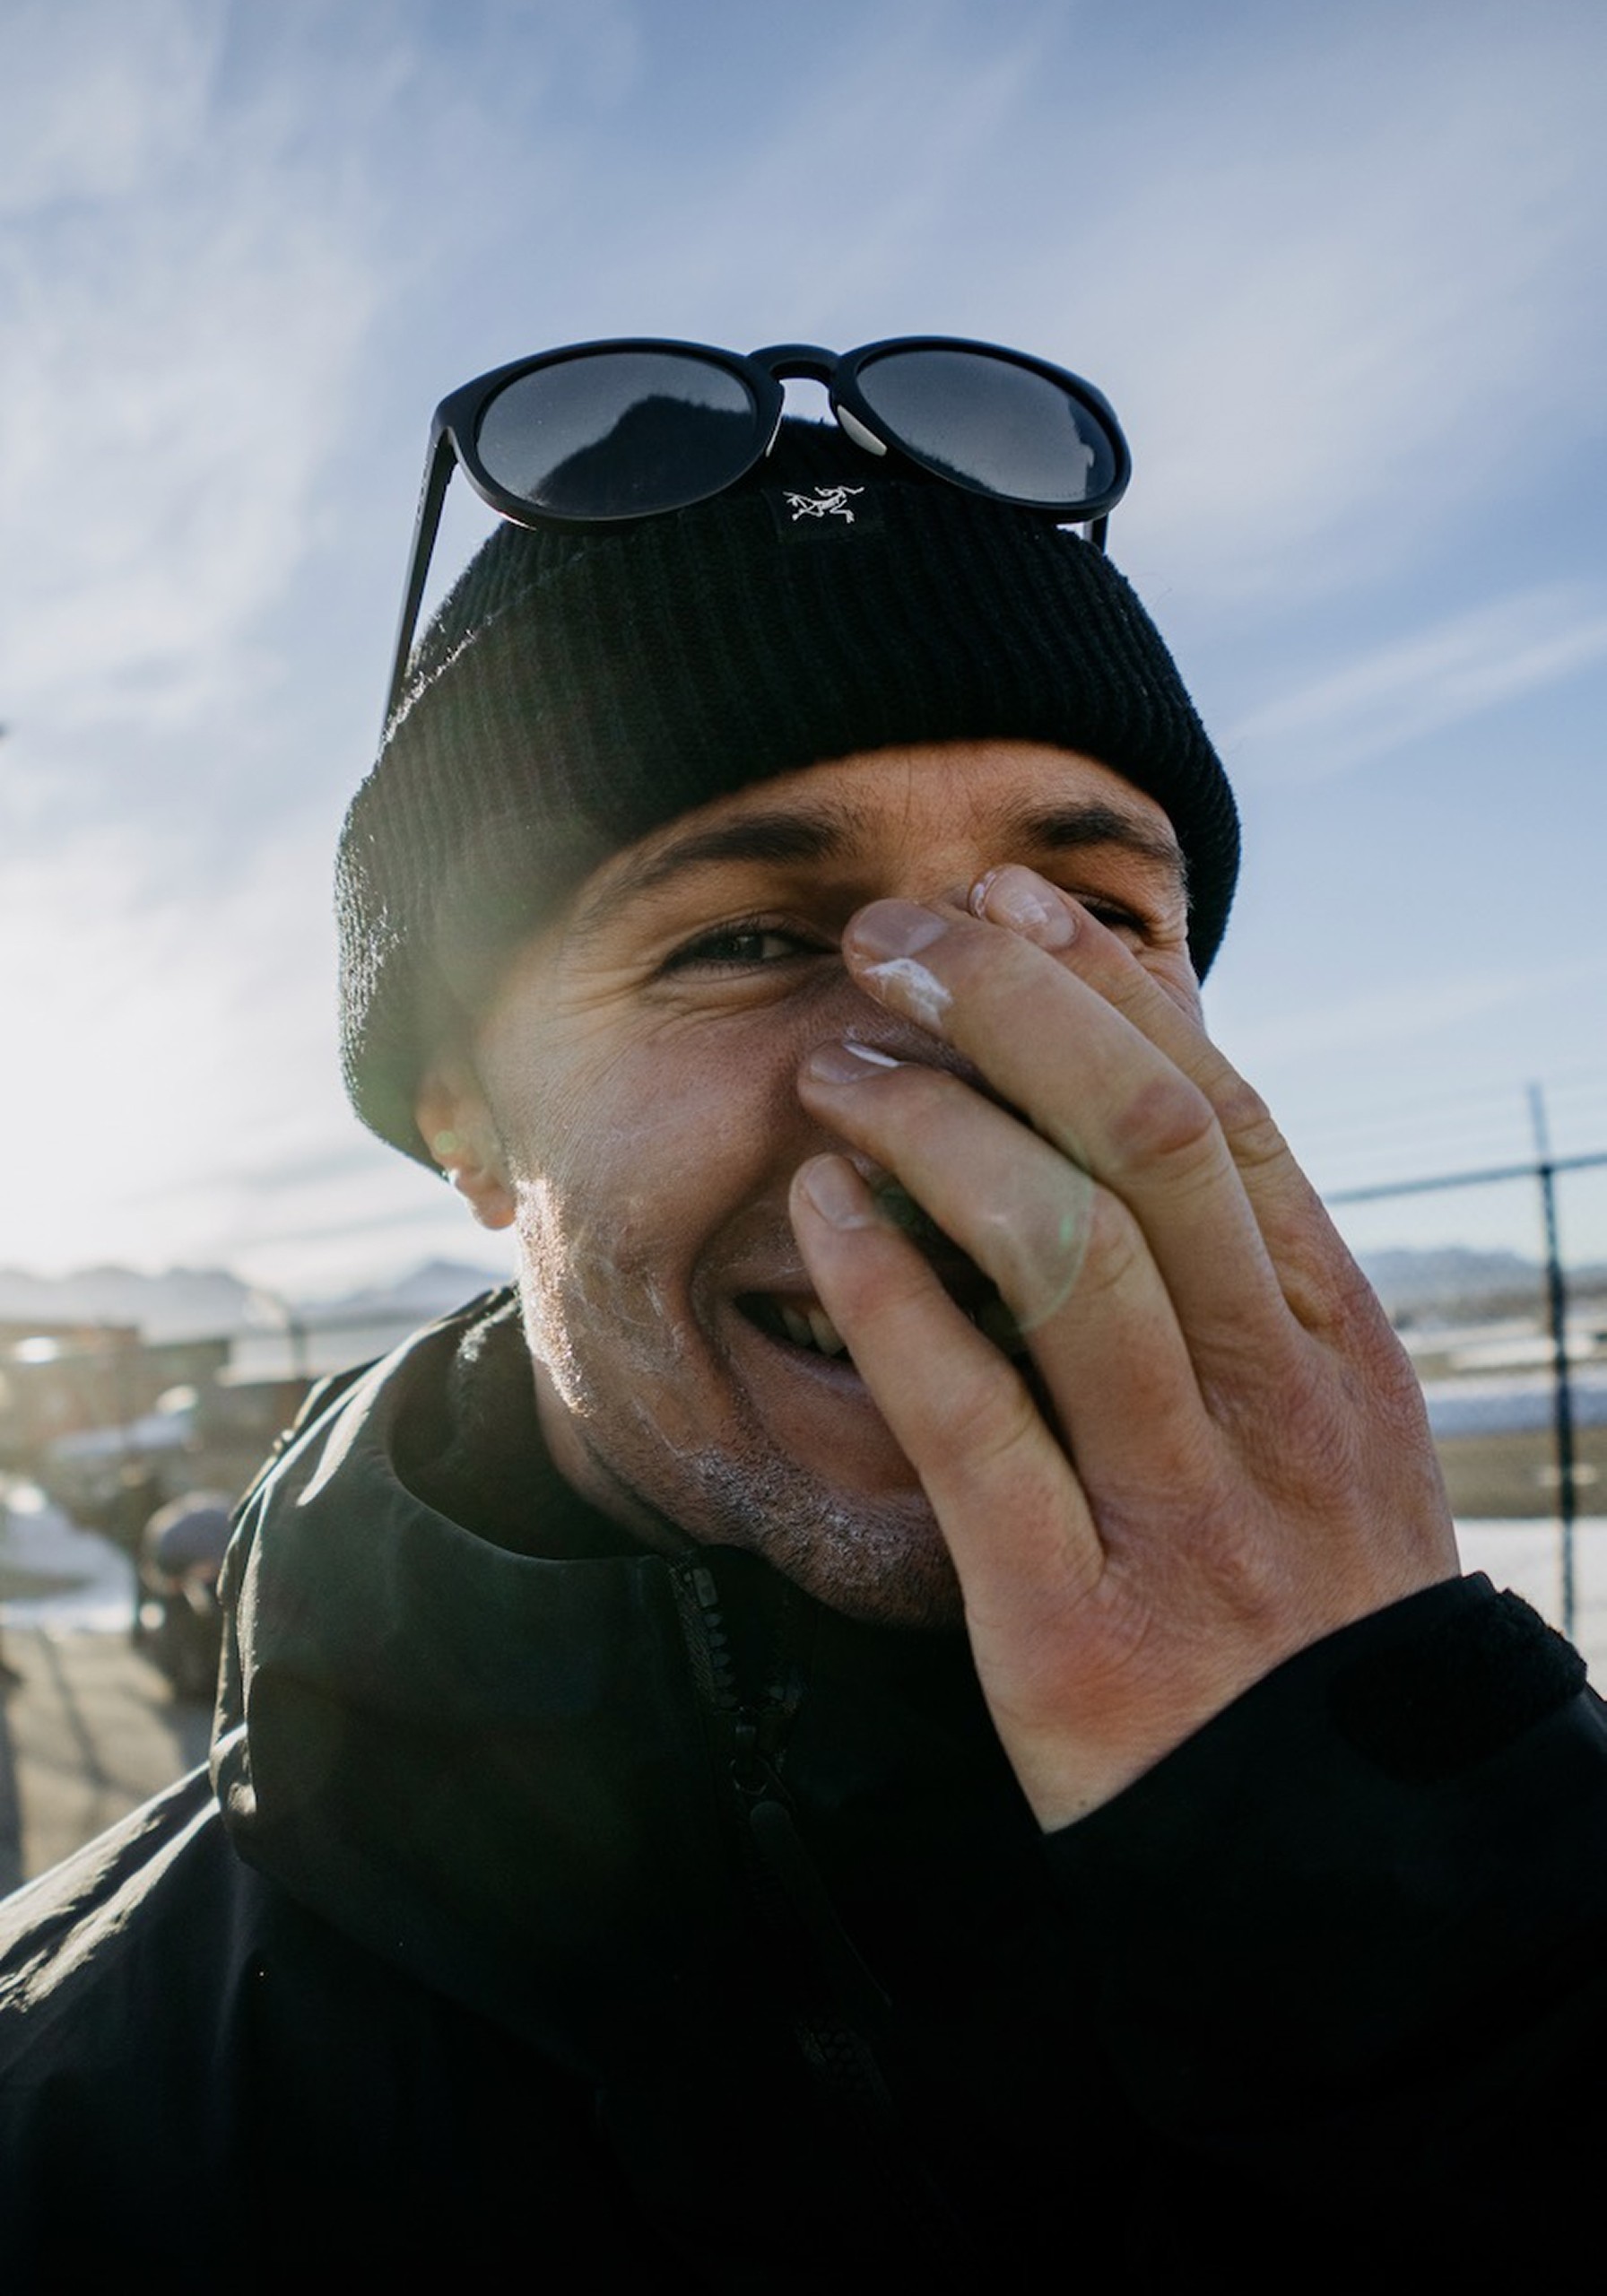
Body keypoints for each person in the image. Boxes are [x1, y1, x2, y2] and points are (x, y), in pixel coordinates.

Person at [2, 337, 1603, 2290]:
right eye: (744, 937)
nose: (972, 1068)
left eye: (1095, 920)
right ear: (466, 1120)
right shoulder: (81, 2129)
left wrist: (1421, 1907)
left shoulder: (1532, 1849)